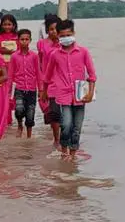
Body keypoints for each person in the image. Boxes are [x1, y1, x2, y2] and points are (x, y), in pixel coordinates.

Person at [40, 19, 96, 159]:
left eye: (68, 34)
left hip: (80, 95)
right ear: (58, 36)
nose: (66, 38)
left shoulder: (83, 52)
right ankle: (64, 150)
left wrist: (90, 93)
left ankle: (72, 154)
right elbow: (47, 75)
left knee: (77, 127)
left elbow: (92, 74)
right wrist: (44, 92)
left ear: (74, 33)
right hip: (63, 95)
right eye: (63, 35)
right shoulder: (55, 55)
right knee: (66, 124)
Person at [37, 14, 62, 146]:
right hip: (48, 82)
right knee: (53, 112)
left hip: (63, 82)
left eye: (56, 29)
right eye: (51, 29)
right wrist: (41, 86)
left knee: (65, 111)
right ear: (47, 30)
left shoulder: (64, 43)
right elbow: (40, 64)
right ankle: (56, 139)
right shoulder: (42, 44)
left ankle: (65, 138)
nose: (54, 32)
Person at [10, 28, 40, 138]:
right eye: (22, 39)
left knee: (30, 113)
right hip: (19, 88)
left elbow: (38, 73)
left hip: (32, 89)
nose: (24, 41)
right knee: (18, 109)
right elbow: (10, 74)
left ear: (30, 40)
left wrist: (41, 89)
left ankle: (29, 136)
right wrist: (9, 91)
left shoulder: (34, 56)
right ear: (18, 40)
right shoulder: (14, 56)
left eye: (26, 39)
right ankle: (19, 124)